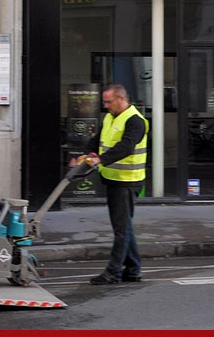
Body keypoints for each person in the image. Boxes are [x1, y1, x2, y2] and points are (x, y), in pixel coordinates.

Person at [72, 83, 148, 285]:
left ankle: (113, 272)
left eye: (109, 101)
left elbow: (126, 147)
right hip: (114, 180)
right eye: (104, 102)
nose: (106, 105)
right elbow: (97, 140)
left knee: (121, 229)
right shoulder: (110, 117)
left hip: (127, 182)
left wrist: (101, 160)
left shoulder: (135, 121)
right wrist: (87, 154)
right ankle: (133, 270)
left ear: (122, 99)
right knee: (125, 226)